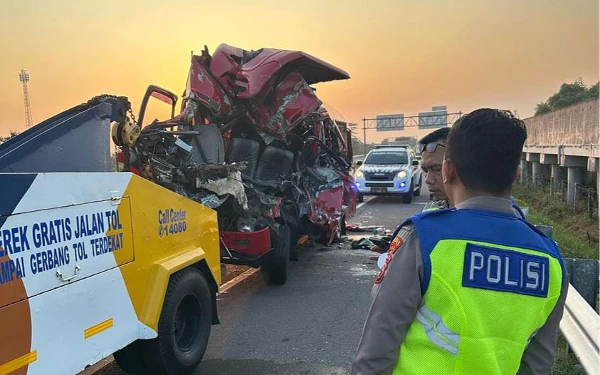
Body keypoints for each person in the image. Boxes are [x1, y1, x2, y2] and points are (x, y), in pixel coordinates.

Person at [352, 109, 567, 375]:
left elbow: (378, 348)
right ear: (517, 174)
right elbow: (537, 365)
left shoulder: (424, 239)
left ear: (448, 169)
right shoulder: (550, 259)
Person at [417, 127, 527, 219]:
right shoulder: (428, 215)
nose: (428, 180)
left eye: (437, 169)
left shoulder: (512, 219)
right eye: (425, 171)